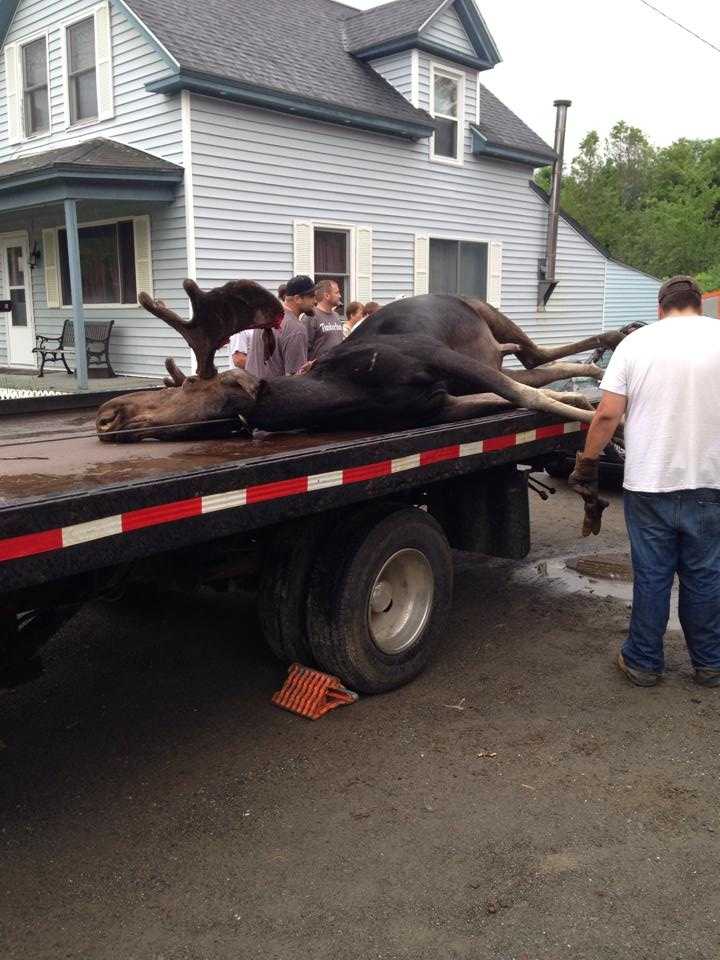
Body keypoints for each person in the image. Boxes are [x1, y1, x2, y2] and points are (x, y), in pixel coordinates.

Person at [569, 276, 720, 689]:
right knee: (705, 574)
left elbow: (607, 414)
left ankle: (643, 663)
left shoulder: (636, 344)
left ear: (660, 308)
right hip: (711, 481)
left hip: (650, 482)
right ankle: (709, 664)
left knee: (653, 575)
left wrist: (588, 464)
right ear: (697, 305)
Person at [245, 275, 312, 379]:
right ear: (298, 298)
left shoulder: (265, 316)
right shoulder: (296, 329)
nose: (315, 301)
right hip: (272, 392)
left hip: (250, 387)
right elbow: (294, 380)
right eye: (311, 296)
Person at [304, 279, 344, 360]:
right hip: (319, 370)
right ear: (327, 296)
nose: (340, 296)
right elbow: (304, 348)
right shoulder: (311, 317)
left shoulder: (336, 316)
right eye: (336, 292)